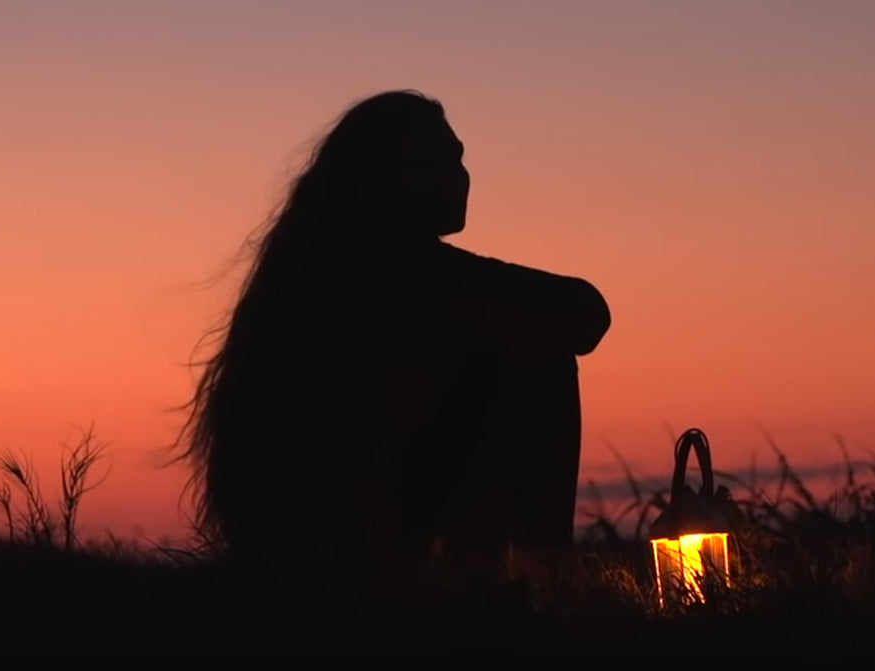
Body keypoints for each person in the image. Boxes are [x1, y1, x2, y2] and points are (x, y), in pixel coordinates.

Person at [181, 89, 610, 591]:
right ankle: (535, 585)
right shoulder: (396, 270)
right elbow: (584, 314)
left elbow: (581, 311)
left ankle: (507, 583)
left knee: (519, 341)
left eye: (459, 161)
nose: (459, 178)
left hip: (305, 553)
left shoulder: (316, 269)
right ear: (380, 179)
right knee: (542, 362)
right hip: (357, 555)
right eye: (436, 164)